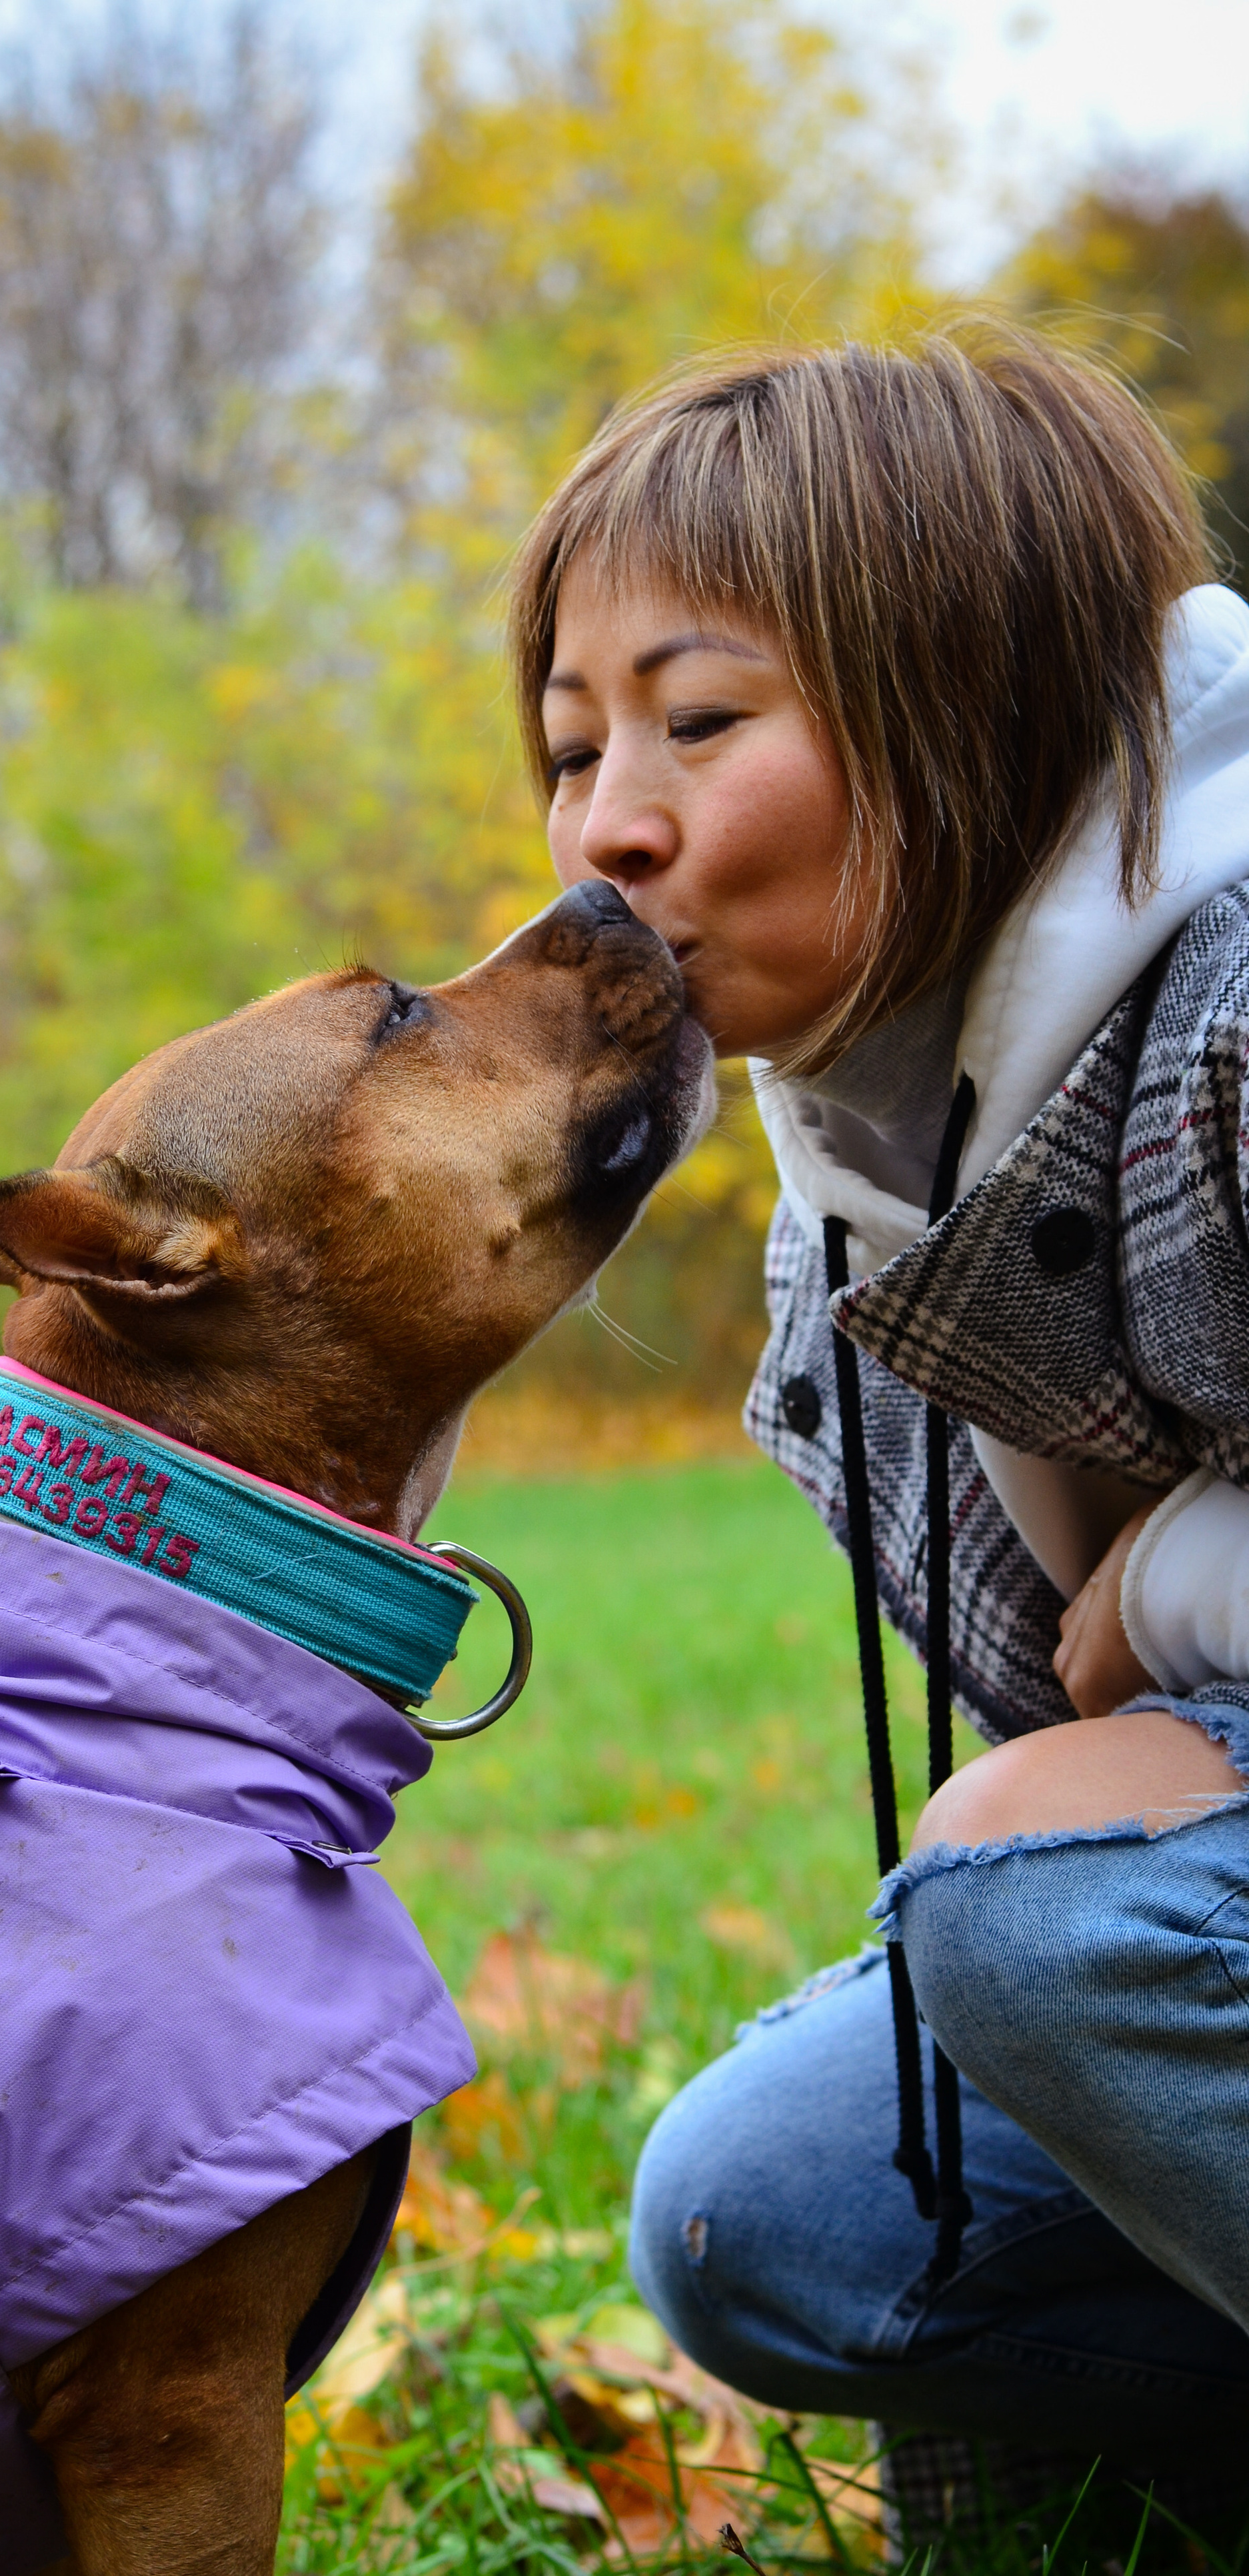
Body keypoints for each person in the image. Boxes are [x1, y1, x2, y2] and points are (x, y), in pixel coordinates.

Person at [505, 325, 1249, 2543]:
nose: (606, 821)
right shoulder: (845, 1217)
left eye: (700, 718)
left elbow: (1080, 1783)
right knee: (779, 2211)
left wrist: (1184, 1583)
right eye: (573, 744)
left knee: (1043, 1909)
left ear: (978, 703)